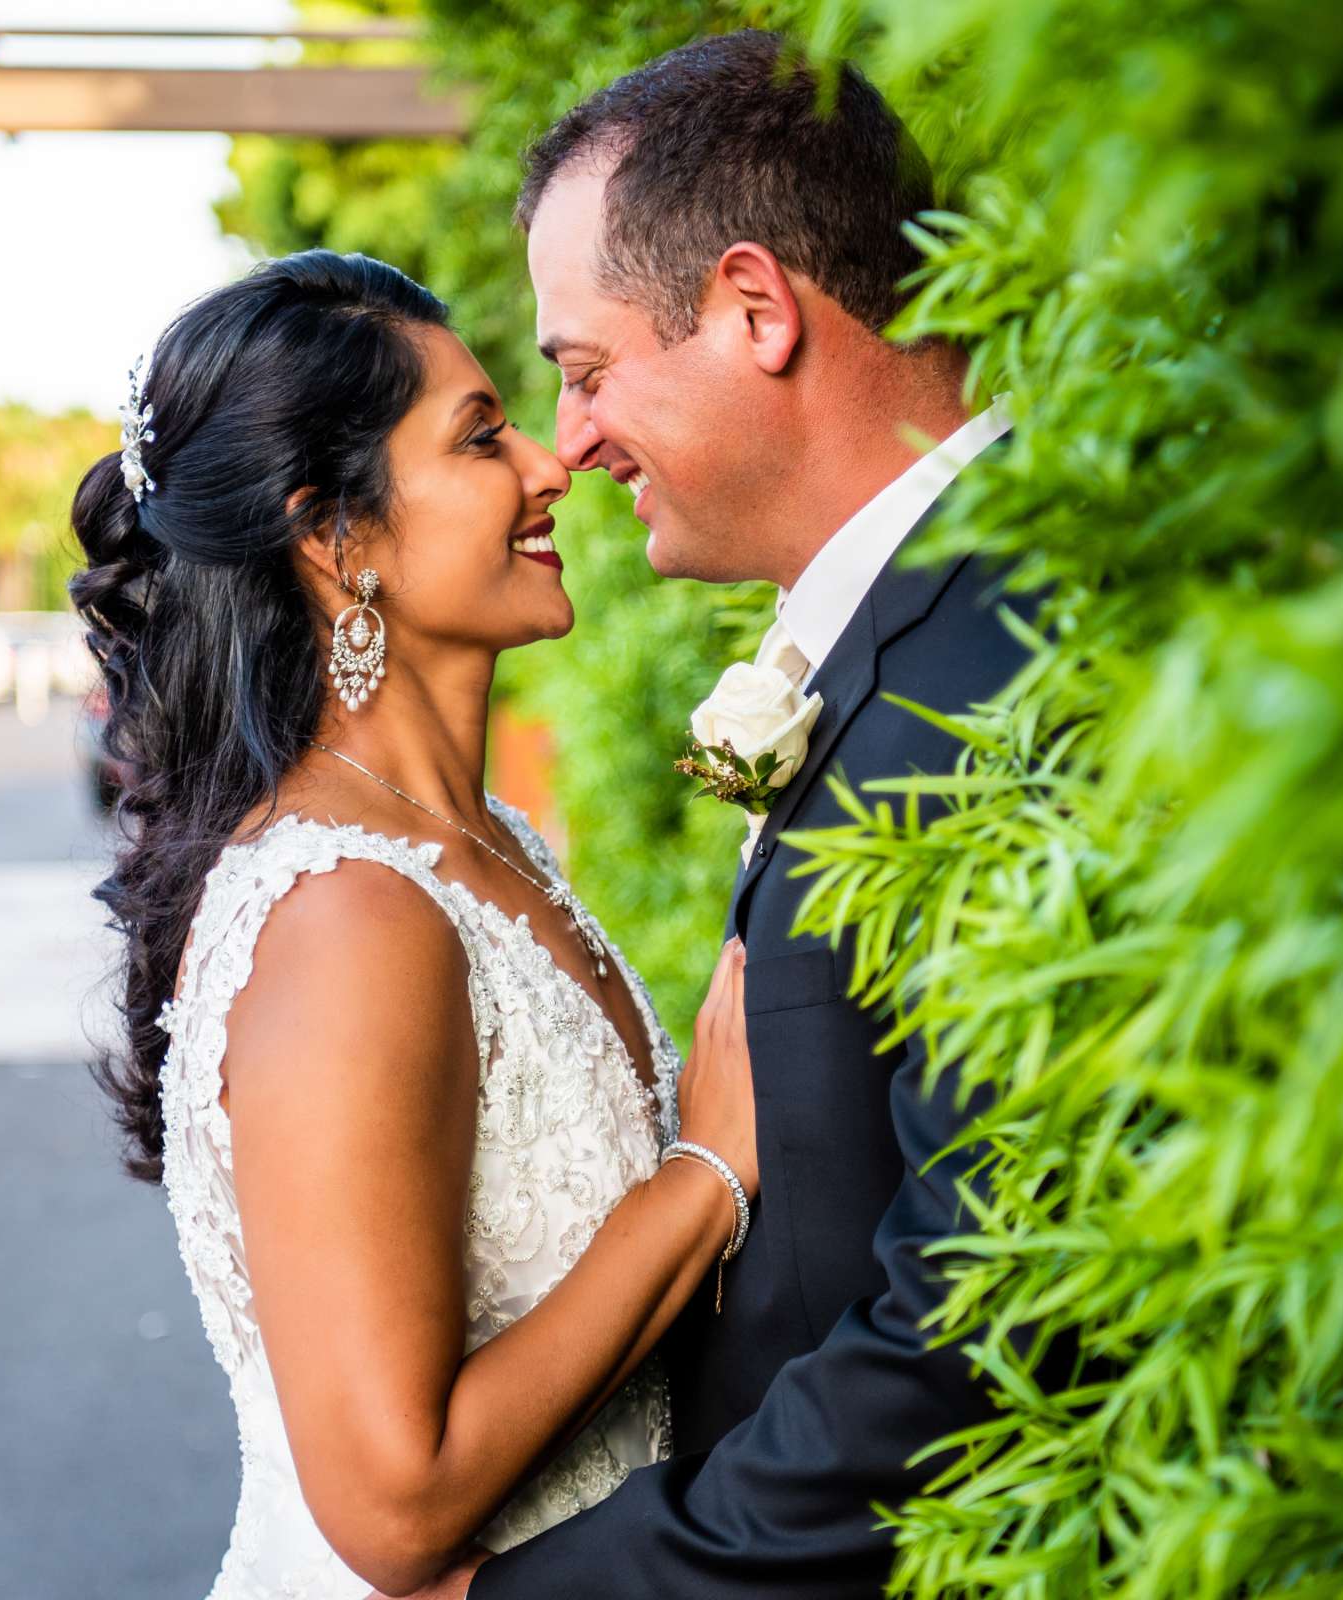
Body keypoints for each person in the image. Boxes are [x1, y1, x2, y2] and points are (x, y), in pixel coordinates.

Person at [395, 29, 1039, 1599]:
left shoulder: (1000, 661)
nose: (577, 440)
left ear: (756, 310)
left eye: (587, 367)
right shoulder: (919, 631)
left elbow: (990, 1307)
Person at [69, 248, 760, 1600]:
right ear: (335, 538)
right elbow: (393, 1505)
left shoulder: (478, 847)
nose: (552, 466)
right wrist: (706, 1177)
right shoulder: (348, 915)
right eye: (482, 437)